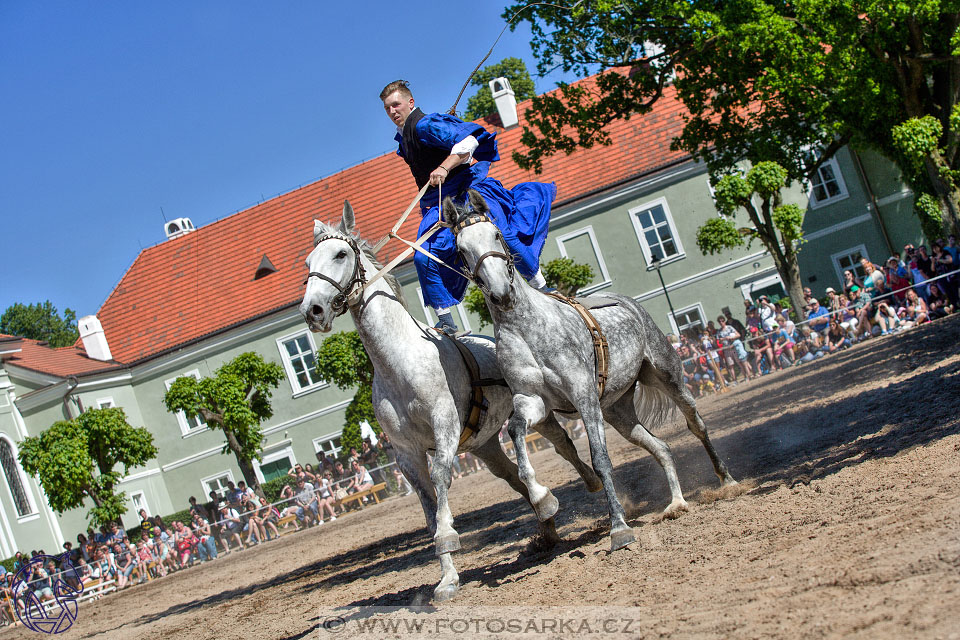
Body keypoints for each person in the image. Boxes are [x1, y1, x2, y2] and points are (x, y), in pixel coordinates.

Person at [381, 79, 556, 335]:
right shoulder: (405, 137)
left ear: (410, 103)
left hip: (467, 191)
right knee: (423, 256)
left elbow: (470, 141)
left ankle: (541, 286)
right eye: (388, 109)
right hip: (438, 204)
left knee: (504, 235)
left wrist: (444, 166)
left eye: (396, 105)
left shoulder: (425, 124)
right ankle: (446, 322)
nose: (393, 111)